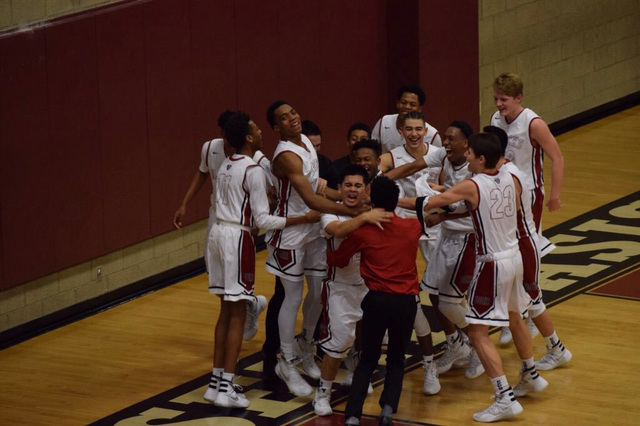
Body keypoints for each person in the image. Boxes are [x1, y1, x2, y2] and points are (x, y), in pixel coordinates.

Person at [414, 133, 548, 422]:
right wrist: (451, 197)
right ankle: (531, 373)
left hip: (493, 263)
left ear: (481, 158)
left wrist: (392, 198)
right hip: (515, 254)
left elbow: (427, 203)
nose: (467, 157)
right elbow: (472, 205)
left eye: (471, 153)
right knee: (514, 315)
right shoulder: (510, 177)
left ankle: (504, 397)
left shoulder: (472, 184)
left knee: (476, 332)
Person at [203, 111, 319, 408]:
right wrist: (302, 218)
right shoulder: (252, 170)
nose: (261, 132)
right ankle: (227, 384)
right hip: (236, 239)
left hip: (216, 234)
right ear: (248, 138)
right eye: (256, 129)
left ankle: (215, 383)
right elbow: (264, 220)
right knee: (238, 314)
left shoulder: (227, 164)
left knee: (225, 312)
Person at [263, 100, 360, 398]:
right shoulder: (286, 156)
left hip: (313, 230)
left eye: (292, 112)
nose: (292, 118)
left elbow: (321, 191)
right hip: (290, 232)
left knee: (320, 290)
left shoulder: (305, 140)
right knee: (291, 297)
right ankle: (287, 362)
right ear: (276, 127)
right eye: (284, 117)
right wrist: (355, 211)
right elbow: (312, 201)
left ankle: (306, 346)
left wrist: (349, 201)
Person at [327, 176, 423, 426]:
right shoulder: (413, 227)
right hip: (406, 303)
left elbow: (338, 260)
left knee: (367, 359)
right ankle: (388, 408)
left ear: (372, 198)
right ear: (395, 201)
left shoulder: (363, 231)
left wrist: (328, 249)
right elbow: (431, 217)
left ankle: (352, 416)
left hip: (377, 301)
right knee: (396, 359)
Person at [172, 111, 268, 342]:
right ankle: (251, 304)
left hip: (241, 221)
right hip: (218, 217)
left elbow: (264, 193)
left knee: (236, 274)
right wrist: (184, 203)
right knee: (214, 273)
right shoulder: (210, 149)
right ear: (221, 133)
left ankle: (245, 305)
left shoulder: (255, 159)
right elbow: (202, 173)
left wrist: (256, 222)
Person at [486, 125, 573, 371]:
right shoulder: (504, 171)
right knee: (531, 301)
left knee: (528, 302)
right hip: (520, 244)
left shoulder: (509, 176)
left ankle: (546, 357)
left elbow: (505, 214)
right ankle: (555, 350)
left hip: (521, 245)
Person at [490, 72, 565, 346]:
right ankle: (515, 314)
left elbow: (557, 157)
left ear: (519, 98)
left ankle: (528, 312)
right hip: (504, 192)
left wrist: (554, 194)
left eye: (504, 99)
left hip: (529, 195)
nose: (499, 104)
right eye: (496, 98)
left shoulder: (533, 123)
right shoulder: (495, 120)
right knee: (507, 250)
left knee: (527, 251)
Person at [312, 164, 392, 416]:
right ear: (339, 188)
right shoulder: (330, 213)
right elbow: (337, 231)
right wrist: (364, 217)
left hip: (371, 285)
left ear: (367, 189)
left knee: (369, 340)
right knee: (339, 342)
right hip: (341, 288)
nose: (353, 190)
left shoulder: (376, 212)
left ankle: (360, 377)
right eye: (348, 185)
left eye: (358, 186)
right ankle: (322, 392)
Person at [372, 84, 441, 153]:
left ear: (420, 108)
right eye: (403, 102)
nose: (407, 107)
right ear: (398, 103)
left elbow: (439, 160)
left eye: (412, 104)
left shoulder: (432, 134)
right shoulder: (384, 122)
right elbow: (372, 151)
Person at [301, 120, 339, 189]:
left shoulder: (325, 163)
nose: (314, 150)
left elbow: (337, 189)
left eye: (318, 145)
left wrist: (324, 186)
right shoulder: (291, 160)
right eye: (311, 146)